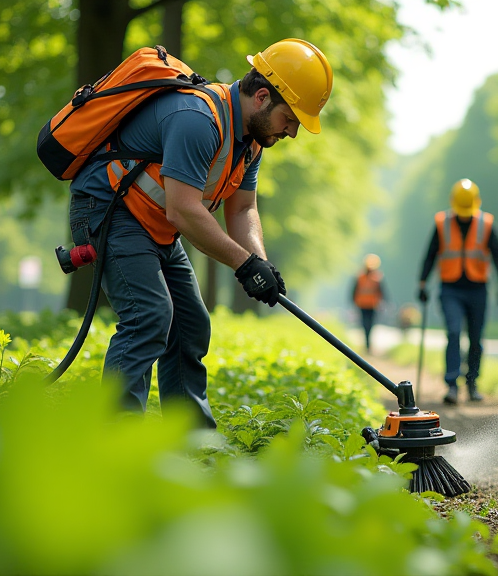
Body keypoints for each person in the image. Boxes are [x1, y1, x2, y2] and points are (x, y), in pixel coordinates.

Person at [67, 39, 333, 427]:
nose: (291, 132)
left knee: (191, 323)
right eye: (290, 120)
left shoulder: (251, 144)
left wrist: (259, 262)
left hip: (153, 222)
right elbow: (183, 209)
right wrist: (244, 265)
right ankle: (117, 444)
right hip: (108, 210)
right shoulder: (198, 119)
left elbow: (242, 209)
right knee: (150, 315)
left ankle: (191, 437)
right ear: (262, 97)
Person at [418, 179, 498, 405]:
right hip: (450, 289)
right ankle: (451, 385)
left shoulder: (486, 223)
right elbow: (430, 254)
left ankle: (472, 383)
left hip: (478, 289)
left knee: (476, 339)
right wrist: (422, 282)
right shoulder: (442, 223)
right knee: (454, 332)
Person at [351, 253, 389, 352]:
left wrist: (384, 302)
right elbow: (354, 290)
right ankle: (367, 343)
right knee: (365, 324)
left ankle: (368, 344)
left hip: (372, 305)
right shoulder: (360, 277)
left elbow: (382, 291)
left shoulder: (377, 277)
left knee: (370, 324)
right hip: (362, 304)